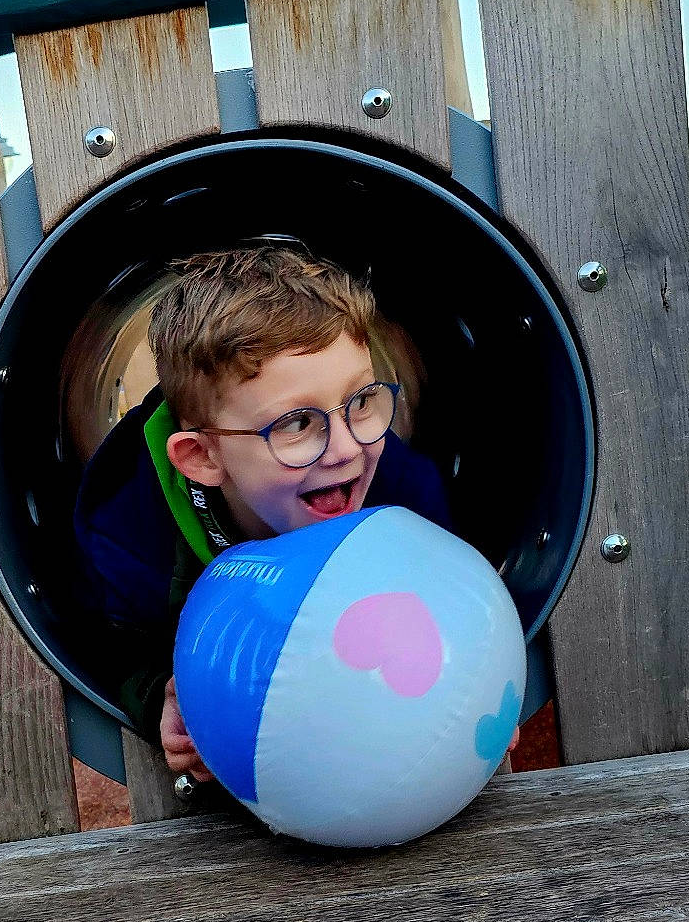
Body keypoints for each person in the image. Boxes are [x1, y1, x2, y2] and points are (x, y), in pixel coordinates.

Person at [73, 238, 452, 782]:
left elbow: (444, 594)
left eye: (362, 400)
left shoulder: (400, 483)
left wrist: (469, 672)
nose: (345, 448)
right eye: (297, 424)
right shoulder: (128, 533)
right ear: (203, 457)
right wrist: (163, 691)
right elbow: (110, 643)